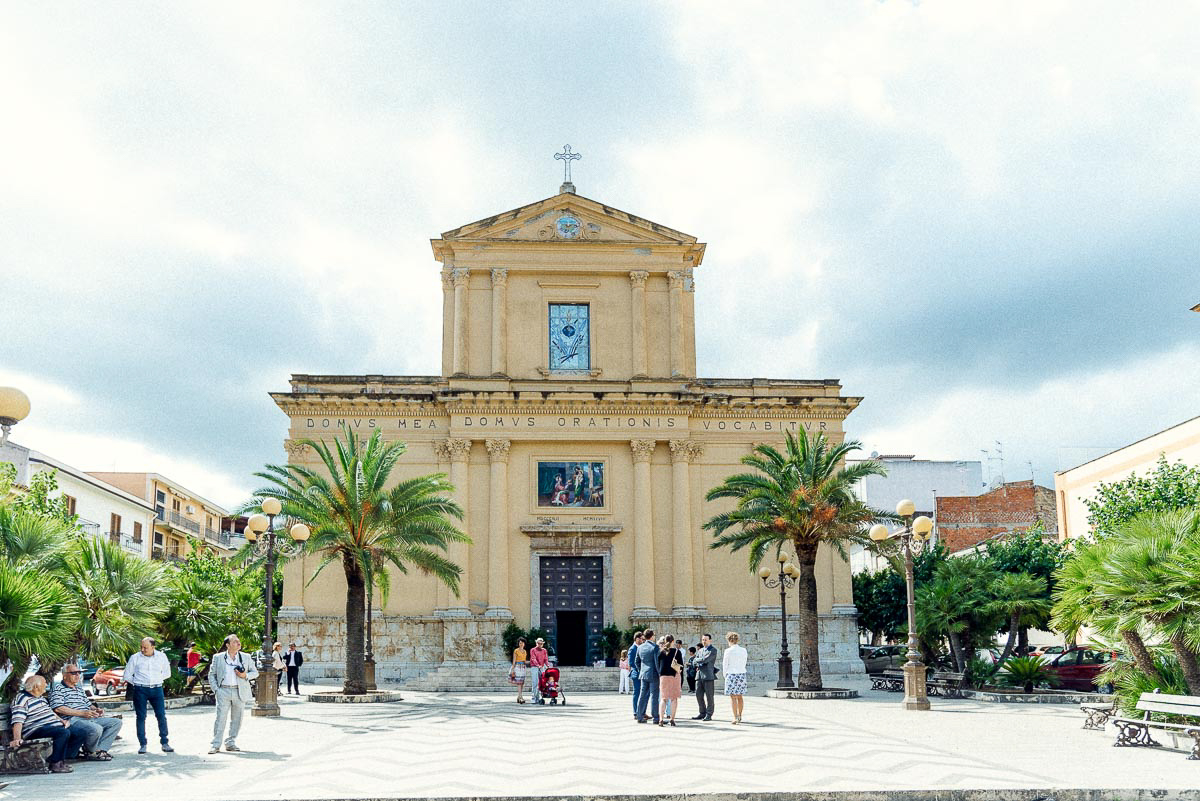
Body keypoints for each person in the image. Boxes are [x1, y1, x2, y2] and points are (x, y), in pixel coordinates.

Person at [9, 675, 88, 773]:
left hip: (52, 726)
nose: (46, 684)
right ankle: (55, 764)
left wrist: (62, 721)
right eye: (44, 683)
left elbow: (50, 713)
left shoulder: (40, 698)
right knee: (62, 733)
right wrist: (17, 738)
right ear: (36, 687)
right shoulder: (21, 699)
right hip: (36, 729)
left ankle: (59, 758)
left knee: (80, 733)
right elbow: (18, 721)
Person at [49, 663, 122, 760]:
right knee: (96, 729)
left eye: (78, 673)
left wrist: (96, 710)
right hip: (73, 720)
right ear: (65, 675)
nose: (77, 675)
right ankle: (91, 752)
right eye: (73, 673)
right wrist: (81, 713)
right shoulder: (57, 690)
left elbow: (88, 705)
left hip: (88, 717)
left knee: (116, 722)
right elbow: (58, 708)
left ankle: (100, 750)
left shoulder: (79, 689)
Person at [209, 634, 259, 754]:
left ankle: (230, 742)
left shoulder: (245, 657)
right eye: (235, 642)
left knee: (237, 719)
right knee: (220, 718)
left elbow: (255, 672)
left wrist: (245, 675)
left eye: (238, 641)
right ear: (228, 645)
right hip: (223, 691)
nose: (238, 643)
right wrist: (216, 690)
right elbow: (212, 674)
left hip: (239, 691)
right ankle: (215, 745)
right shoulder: (218, 657)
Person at [125, 636, 174, 753]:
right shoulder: (135, 658)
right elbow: (127, 675)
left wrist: (156, 680)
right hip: (140, 690)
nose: (143, 649)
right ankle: (142, 744)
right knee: (141, 717)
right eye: (141, 647)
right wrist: (138, 683)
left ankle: (165, 742)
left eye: (145, 647)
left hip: (157, 689)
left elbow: (167, 673)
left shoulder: (161, 657)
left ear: (153, 647)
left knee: (161, 715)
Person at [634, 628, 660, 724]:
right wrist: (660, 674)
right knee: (654, 696)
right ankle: (656, 718)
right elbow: (657, 663)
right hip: (653, 674)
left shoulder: (640, 647)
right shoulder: (655, 647)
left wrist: (641, 670)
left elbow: (637, 661)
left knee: (642, 695)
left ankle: (639, 716)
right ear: (652, 636)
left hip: (643, 674)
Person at [657, 635, 683, 726]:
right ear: (673, 641)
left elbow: (658, 665)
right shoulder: (677, 652)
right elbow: (680, 667)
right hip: (674, 676)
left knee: (663, 699)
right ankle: (672, 719)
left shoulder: (661, 652)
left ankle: (661, 719)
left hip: (663, 677)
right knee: (673, 699)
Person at [722, 631, 748, 724]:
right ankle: (740, 715)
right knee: (740, 696)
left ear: (729, 640)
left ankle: (735, 717)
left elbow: (725, 664)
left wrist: (725, 675)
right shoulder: (743, 650)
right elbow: (745, 662)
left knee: (733, 697)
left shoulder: (728, 651)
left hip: (731, 674)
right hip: (741, 673)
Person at [692, 633, 718, 721]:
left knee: (709, 696)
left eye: (706, 640)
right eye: (703, 640)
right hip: (699, 675)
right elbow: (694, 662)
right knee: (698, 695)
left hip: (708, 676)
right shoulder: (700, 650)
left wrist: (698, 660)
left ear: (710, 640)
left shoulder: (713, 650)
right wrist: (698, 661)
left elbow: (706, 659)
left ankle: (709, 714)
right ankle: (702, 713)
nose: (704, 641)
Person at [628, 631, 644, 719]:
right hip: (636, 673)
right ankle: (635, 712)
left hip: (642, 673)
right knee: (637, 693)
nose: (643, 640)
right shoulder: (632, 649)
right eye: (642, 639)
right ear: (637, 639)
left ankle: (641, 711)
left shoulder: (640, 647)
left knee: (642, 693)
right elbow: (631, 662)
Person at [529, 637, 549, 704]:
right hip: (534, 667)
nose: (540, 645)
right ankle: (534, 697)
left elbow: (546, 659)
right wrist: (538, 665)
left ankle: (540, 697)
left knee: (542, 682)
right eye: (538, 643)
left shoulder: (544, 650)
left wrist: (547, 665)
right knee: (535, 682)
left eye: (541, 643)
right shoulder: (533, 650)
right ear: (536, 643)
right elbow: (533, 658)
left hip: (542, 667)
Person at [511, 637, 528, 704]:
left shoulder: (525, 651)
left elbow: (524, 661)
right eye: (520, 643)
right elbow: (514, 661)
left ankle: (519, 696)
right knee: (519, 682)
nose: (521, 644)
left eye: (522, 643)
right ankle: (521, 697)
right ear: (518, 644)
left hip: (523, 667)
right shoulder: (516, 651)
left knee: (522, 682)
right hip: (517, 667)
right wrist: (513, 669)